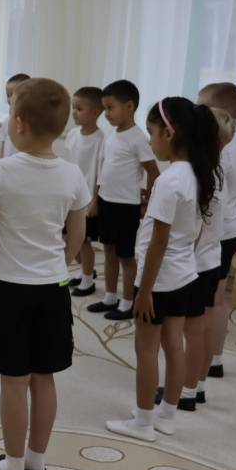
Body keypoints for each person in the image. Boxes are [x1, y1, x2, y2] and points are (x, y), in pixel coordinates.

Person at [0, 78, 90, 470]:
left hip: (9, 287)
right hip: (53, 288)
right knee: (44, 376)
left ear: (19, 123)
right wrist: (60, 264)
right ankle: (37, 461)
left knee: (13, 380)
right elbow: (77, 235)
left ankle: (13, 464)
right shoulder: (72, 174)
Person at [104, 98, 218, 443]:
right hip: (183, 275)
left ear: (169, 134)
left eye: (152, 132)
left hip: (159, 279)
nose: (150, 141)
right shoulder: (196, 173)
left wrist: (144, 291)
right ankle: (167, 415)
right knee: (174, 346)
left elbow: (158, 241)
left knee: (147, 349)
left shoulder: (169, 181)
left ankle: (142, 421)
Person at [87, 80, 159, 321]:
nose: (106, 114)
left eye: (110, 108)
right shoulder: (111, 136)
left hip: (126, 206)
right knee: (108, 250)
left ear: (129, 106)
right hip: (106, 201)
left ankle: (128, 302)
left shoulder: (138, 138)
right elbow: (104, 170)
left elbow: (153, 172)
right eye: (104, 109)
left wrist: (147, 203)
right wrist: (96, 199)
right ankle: (110, 297)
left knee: (125, 256)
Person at [176, 106, 233, 411]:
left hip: (196, 265)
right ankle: (196, 386)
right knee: (199, 327)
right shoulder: (215, 170)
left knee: (191, 331)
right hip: (210, 260)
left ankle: (187, 391)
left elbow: (195, 230)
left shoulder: (201, 176)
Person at [198, 82, 236, 380]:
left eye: (201, 107)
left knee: (210, 302)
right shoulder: (230, 146)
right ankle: (213, 358)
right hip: (229, 229)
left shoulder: (221, 154)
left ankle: (205, 362)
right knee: (215, 298)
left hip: (219, 234)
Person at [64, 86, 105, 296]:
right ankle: (84, 272)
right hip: (70, 197)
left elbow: (101, 174)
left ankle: (88, 281)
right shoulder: (72, 135)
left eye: (79, 109)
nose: (74, 112)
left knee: (84, 241)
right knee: (70, 238)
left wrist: (95, 200)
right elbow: (68, 165)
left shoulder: (101, 140)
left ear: (96, 112)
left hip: (87, 200)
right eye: (73, 107)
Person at [0, 73, 30, 159]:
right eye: (7, 95)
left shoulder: (32, 123)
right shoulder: (6, 121)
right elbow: (2, 149)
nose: (9, 99)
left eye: (12, 94)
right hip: (6, 165)